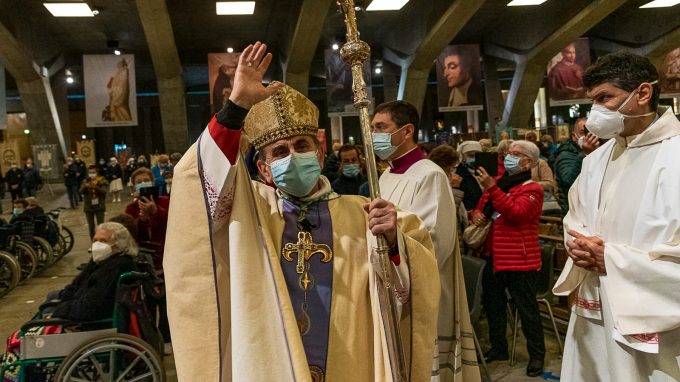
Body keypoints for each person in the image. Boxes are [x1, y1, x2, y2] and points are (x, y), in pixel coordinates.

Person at [164, 41, 439, 381]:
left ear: (320, 155)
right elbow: (196, 186)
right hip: (273, 362)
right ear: (264, 171)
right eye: (279, 151)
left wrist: (394, 242)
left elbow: (415, 285)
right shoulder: (248, 213)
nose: (293, 155)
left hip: (351, 362)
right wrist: (235, 107)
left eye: (302, 146)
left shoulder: (365, 215)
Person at [553, 52, 680, 381]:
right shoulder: (596, 159)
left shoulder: (676, 155)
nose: (595, 110)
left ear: (642, 93)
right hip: (595, 308)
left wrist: (613, 259)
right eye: (592, 100)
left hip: (655, 319)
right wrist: (578, 245)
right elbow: (575, 217)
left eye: (604, 98)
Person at [371, 100, 478, 382]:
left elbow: (434, 243)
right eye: (372, 128)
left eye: (381, 127)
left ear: (406, 131)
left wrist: (395, 241)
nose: (374, 135)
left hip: (419, 293)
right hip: (387, 286)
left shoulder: (429, 174)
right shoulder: (386, 173)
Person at [470, 140, 546, 377]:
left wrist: (492, 188)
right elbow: (481, 208)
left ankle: (536, 355)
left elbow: (517, 214)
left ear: (529, 162)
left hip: (519, 259)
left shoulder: (532, 189)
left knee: (527, 309)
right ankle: (499, 347)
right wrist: (477, 216)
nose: (508, 158)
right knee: (494, 307)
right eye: (508, 153)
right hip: (493, 255)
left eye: (516, 154)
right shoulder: (501, 184)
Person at [125, 167, 172, 353]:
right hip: (145, 263)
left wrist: (155, 212)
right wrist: (142, 218)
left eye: (146, 180)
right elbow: (131, 236)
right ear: (134, 187)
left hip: (166, 259)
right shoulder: (130, 208)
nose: (143, 184)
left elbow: (173, 224)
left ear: (153, 182)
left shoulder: (166, 202)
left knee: (167, 304)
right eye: (139, 182)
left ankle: (167, 337)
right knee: (148, 305)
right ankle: (153, 340)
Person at [554, 118, 588, 216]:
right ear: (574, 136)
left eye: (592, 132)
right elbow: (568, 181)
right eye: (583, 132)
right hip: (573, 213)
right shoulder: (566, 155)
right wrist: (584, 154)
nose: (587, 136)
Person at [81, 165, 109, 240]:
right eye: (90, 173)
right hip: (88, 207)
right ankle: (93, 242)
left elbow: (104, 191)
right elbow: (80, 192)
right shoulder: (85, 181)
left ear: (97, 173)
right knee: (91, 226)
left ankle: (101, 240)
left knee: (100, 225)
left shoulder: (102, 180)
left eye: (93, 172)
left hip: (99, 206)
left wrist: (95, 187)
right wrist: (85, 187)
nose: (92, 174)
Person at [455, 140, 484, 211]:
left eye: (477, 155)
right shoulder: (458, 174)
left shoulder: (485, 170)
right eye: (470, 155)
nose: (474, 158)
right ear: (462, 156)